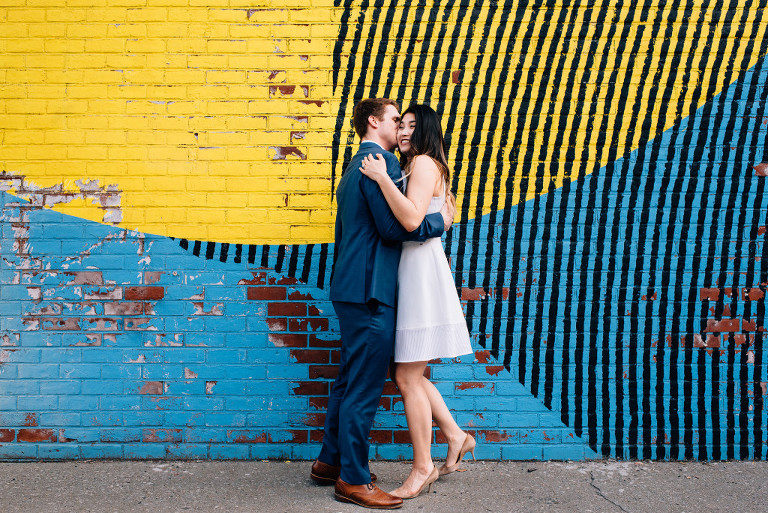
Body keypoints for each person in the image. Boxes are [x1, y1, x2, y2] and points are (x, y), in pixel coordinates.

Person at [309, 98, 456, 510]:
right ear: (374, 123)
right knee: (364, 387)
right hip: (372, 291)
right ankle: (352, 480)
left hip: (351, 286)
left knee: (347, 380)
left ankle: (328, 461)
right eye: (395, 120)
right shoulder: (382, 165)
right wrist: (439, 222)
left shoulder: (354, 166)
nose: (401, 128)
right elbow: (396, 229)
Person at [358, 104, 475, 499]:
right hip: (413, 272)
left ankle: (423, 466)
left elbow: (409, 221)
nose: (404, 131)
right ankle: (456, 435)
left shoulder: (423, 163)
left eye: (410, 125)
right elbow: (426, 217)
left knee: (407, 376)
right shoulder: (421, 166)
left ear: (424, 130)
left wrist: (381, 178)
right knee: (410, 374)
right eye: (400, 124)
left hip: (420, 275)